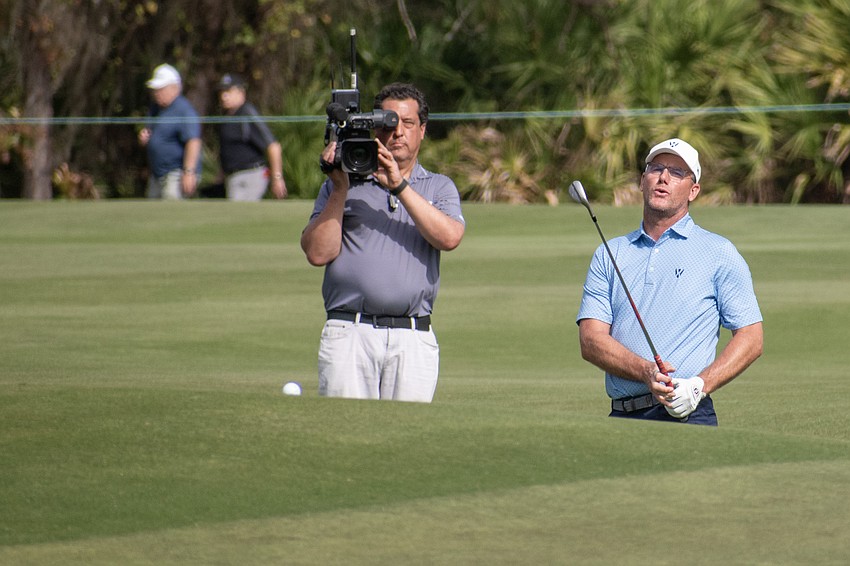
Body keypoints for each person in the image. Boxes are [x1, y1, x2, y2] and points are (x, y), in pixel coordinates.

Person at [576, 138, 763, 425]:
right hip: (622, 416)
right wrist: (645, 371)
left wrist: (699, 385)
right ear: (642, 181)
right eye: (656, 169)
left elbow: (751, 337)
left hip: (690, 414)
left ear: (693, 190)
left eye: (677, 173)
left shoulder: (718, 252)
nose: (663, 178)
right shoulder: (609, 253)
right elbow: (591, 340)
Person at [301, 83, 465, 403]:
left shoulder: (438, 187)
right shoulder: (343, 184)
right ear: (375, 127)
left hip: (412, 337)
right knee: (344, 431)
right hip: (350, 331)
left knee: (408, 441)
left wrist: (399, 186)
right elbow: (318, 253)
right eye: (390, 123)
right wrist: (339, 188)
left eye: (408, 124)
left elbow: (449, 237)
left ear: (422, 130)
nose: (398, 132)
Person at [216, 73, 287, 201]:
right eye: (222, 92)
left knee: (238, 214)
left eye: (228, 91)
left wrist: (277, 178)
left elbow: (273, 146)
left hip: (250, 175)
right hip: (233, 177)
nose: (224, 96)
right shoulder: (227, 117)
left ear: (240, 92)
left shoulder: (247, 113)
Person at [138, 64, 201, 199]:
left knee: (171, 211)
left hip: (175, 174)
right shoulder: (155, 109)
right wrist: (144, 137)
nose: (157, 93)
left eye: (161, 89)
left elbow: (193, 141)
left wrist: (189, 172)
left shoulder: (184, 110)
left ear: (175, 88)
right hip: (157, 174)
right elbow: (150, 133)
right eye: (155, 90)